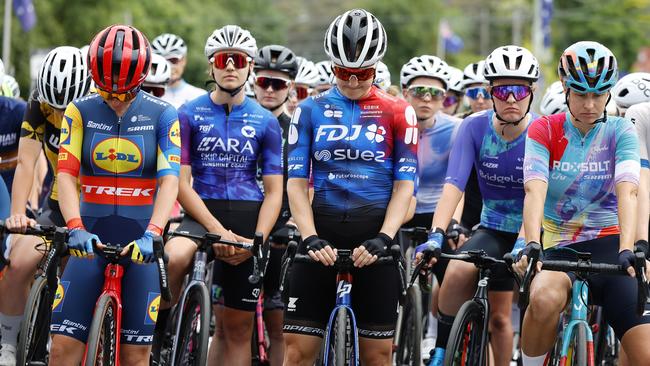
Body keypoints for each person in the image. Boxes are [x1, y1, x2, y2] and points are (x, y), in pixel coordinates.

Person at [284, 9, 418, 365]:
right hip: (321, 231)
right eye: (344, 72)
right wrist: (309, 236)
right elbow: (296, 183)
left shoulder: (398, 111)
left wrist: (385, 238)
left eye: (364, 74)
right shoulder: (309, 109)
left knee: (377, 356)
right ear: (332, 67)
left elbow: (405, 186)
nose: (354, 81)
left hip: (375, 234)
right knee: (297, 352)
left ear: (376, 68)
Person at [49, 25, 180, 365]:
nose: (115, 98)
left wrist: (154, 232)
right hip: (89, 232)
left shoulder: (164, 115)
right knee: (63, 348)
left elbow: (170, 181)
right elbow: (65, 175)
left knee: (136, 356)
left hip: (141, 240)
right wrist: (75, 226)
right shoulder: (79, 111)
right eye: (106, 90)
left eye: (125, 93)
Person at [513, 40, 650, 366]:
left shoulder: (621, 131)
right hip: (561, 247)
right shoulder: (544, 128)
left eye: (599, 94)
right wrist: (532, 243)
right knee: (544, 298)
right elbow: (534, 191)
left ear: (609, 93)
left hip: (613, 246)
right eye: (581, 94)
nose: (590, 104)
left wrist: (630, 246)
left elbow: (628, 190)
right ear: (565, 87)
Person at [156, 25, 283, 366]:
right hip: (201, 212)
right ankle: (159, 341)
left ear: (249, 67)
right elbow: (181, 182)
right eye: (223, 59)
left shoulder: (265, 121)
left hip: (247, 219)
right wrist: (217, 230)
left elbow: (274, 191)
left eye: (238, 60)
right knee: (172, 259)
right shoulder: (187, 112)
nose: (230, 66)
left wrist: (258, 238)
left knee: (236, 331)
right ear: (210, 66)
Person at [418, 45, 540, 366]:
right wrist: (436, 234)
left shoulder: (542, 131)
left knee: (504, 318)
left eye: (519, 90)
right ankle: (441, 351)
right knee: (456, 272)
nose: (511, 99)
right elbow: (454, 184)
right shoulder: (473, 126)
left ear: (532, 92)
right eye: (502, 90)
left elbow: (536, 194)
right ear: (491, 92)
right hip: (494, 227)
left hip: (535, 230)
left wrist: (526, 242)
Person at [0, 46, 91, 365]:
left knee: (78, 273)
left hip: (95, 204)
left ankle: (67, 338)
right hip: (56, 201)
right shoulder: (38, 104)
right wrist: (17, 213)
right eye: (55, 107)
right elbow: (26, 163)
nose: (62, 116)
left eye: (68, 109)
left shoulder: (101, 106)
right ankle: (7, 343)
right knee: (20, 261)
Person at [399, 54, 463, 359]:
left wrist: (452, 222)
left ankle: (440, 347)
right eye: (419, 91)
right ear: (404, 93)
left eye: (435, 93)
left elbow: (460, 183)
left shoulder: (455, 129)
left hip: (439, 212)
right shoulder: (391, 123)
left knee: (452, 280)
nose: (426, 99)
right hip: (397, 210)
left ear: (444, 99)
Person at [252, 43, 299, 365]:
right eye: (263, 82)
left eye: (278, 83)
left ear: (290, 88)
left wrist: (296, 220)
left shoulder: (295, 128)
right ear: (253, 82)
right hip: (241, 221)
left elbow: (307, 180)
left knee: (277, 320)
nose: (269, 89)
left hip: (282, 224)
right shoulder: (240, 119)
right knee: (235, 319)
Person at [151, 33, 206, 108]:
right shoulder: (145, 96)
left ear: (184, 61)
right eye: (162, 61)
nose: (169, 66)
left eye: (173, 60)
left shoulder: (200, 96)